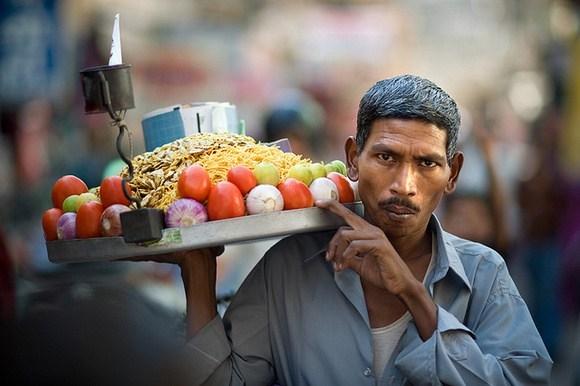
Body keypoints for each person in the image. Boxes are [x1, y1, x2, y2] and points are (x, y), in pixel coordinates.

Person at [141, 75, 552, 385]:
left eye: (426, 163)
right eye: (386, 156)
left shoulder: (483, 273)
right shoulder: (288, 267)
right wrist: (197, 275)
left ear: (453, 173)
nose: (404, 185)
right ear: (353, 159)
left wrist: (410, 292)